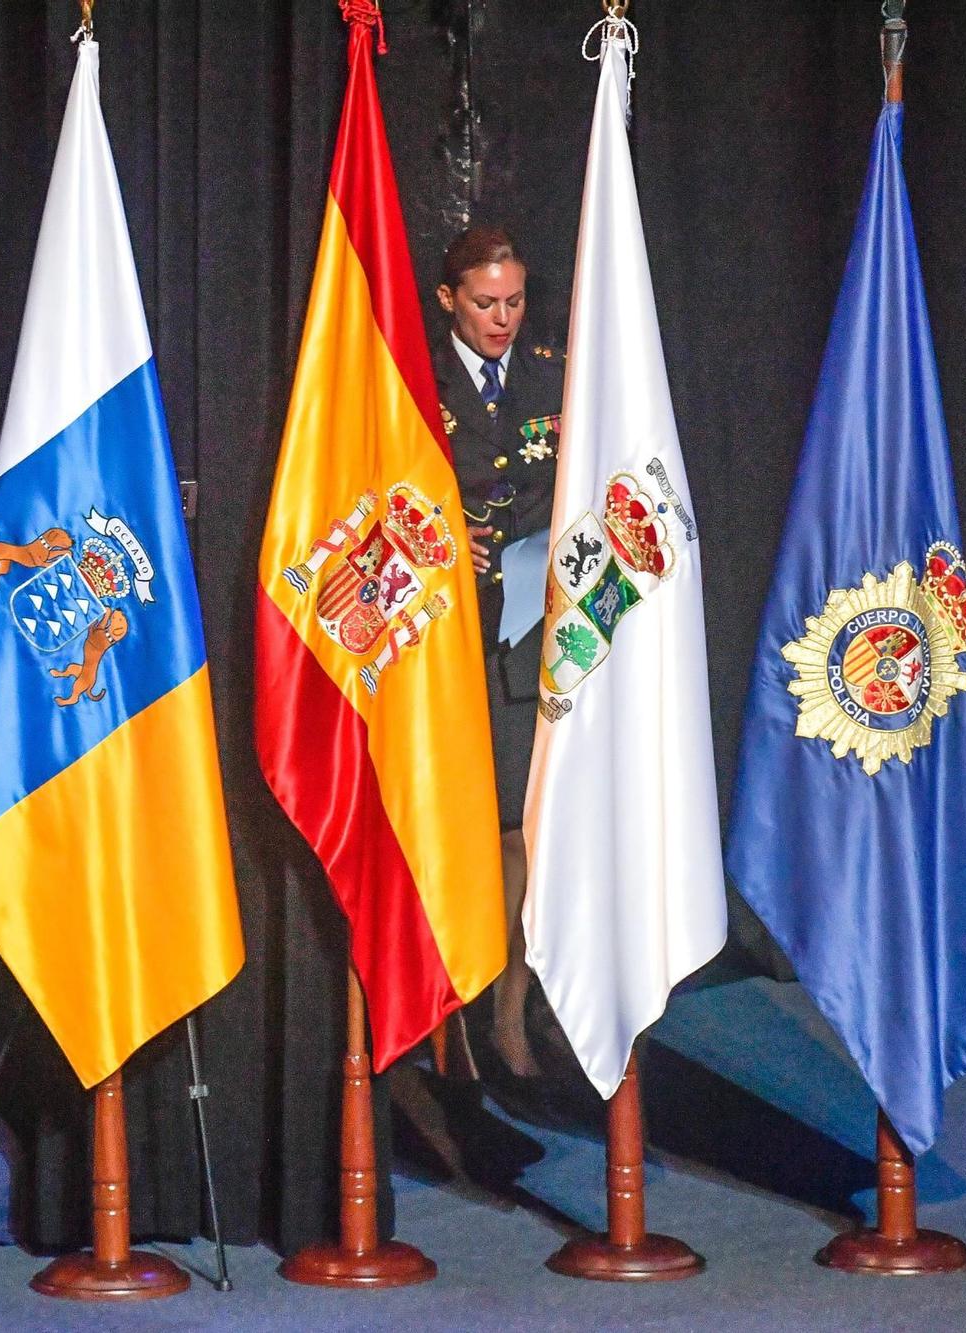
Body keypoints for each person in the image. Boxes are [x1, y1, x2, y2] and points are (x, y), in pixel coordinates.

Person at [433, 227, 565, 1081]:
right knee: (452, 829)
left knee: (523, 831)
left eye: (514, 300)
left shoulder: (553, 372)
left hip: (525, 634)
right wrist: (443, 535)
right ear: (450, 299)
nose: (503, 318)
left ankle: (511, 1011)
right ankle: (443, 1024)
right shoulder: (413, 375)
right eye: (485, 302)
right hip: (443, 632)